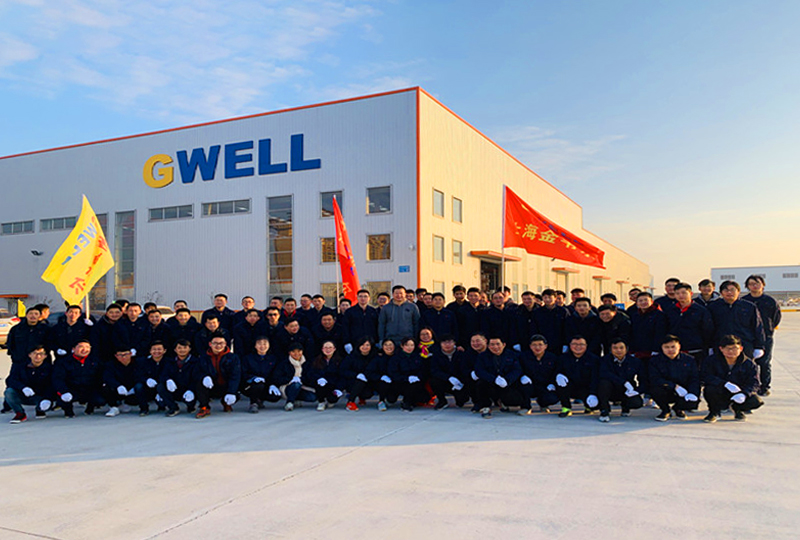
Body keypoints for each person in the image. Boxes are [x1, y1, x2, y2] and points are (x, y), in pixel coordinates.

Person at [701, 335, 763, 422]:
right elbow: (706, 376)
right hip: (720, 390)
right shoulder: (711, 361)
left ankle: (737, 409)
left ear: (741, 348)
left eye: (734, 348)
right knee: (709, 389)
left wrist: (744, 393)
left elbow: (754, 383)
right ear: (721, 349)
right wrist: (724, 384)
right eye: (727, 348)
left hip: (738, 391)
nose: (731, 351)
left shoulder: (749, 364)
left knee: (756, 401)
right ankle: (715, 412)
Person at [741, 274, 781, 396]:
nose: (754, 286)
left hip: (766, 337)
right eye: (751, 284)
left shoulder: (770, 301)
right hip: (748, 337)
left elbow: (776, 318)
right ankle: (748, 385)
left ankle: (764, 386)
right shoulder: (744, 301)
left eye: (757, 283)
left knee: (764, 363)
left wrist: (768, 330)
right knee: (746, 362)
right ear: (747, 286)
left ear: (763, 285)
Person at [706, 280, 765, 357]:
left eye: (732, 290)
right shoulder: (713, 307)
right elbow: (708, 328)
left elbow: (757, 327)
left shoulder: (749, 306)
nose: (729, 292)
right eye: (726, 290)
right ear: (721, 293)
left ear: (738, 292)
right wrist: (709, 346)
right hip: (721, 345)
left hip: (744, 345)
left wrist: (759, 346)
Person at [649, 335, 700, 421]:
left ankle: (678, 409)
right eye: (666, 347)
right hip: (667, 389)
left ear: (679, 346)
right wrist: (674, 386)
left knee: (693, 401)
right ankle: (665, 410)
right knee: (655, 389)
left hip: (684, 390)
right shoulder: (655, 361)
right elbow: (654, 378)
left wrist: (693, 392)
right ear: (662, 348)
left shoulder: (689, 360)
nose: (670, 350)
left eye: (673, 347)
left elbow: (694, 378)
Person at [473, 336, 525, 419]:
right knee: (481, 384)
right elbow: (479, 370)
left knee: (515, 399)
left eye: (498, 344)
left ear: (503, 345)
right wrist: (493, 379)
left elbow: (517, 370)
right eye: (492, 344)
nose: (495, 347)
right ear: (488, 346)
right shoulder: (482, 356)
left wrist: (507, 380)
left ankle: (504, 402)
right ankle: (485, 407)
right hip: (490, 384)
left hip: (507, 385)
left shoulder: (512, 355)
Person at [52, 339, 105, 417]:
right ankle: (68, 411)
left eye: (87, 347)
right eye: (81, 347)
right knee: (64, 398)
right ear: (73, 349)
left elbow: (101, 376)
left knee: (100, 400)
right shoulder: (63, 362)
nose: (84, 349)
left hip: (89, 389)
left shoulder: (95, 361)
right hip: (72, 389)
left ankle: (90, 408)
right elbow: (58, 379)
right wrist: (64, 391)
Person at [665, 283, 715, 365]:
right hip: (675, 350)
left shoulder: (701, 310)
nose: (681, 295)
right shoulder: (670, 310)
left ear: (691, 293)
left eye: (684, 293)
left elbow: (708, 330)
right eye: (677, 293)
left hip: (695, 350)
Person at [4, 344, 55, 423]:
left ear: (45, 356)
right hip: (23, 395)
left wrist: (48, 398)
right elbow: (11, 380)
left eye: (41, 354)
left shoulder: (50, 369)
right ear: (29, 355)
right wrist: (23, 387)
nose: (38, 356)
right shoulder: (19, 366)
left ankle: (39, 410)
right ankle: (20, 413)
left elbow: (52, 385)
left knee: (46, 405)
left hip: (40, 397)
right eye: (34, 353)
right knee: (9, 392)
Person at [596, 339, 644, 422]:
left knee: (637, 403)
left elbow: (643, 379)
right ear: (610, 349)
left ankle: (625, 407)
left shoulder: (635, 361)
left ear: (626, 349)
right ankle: (604, 410)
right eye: (615, 348)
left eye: (621, 348)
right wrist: (623, 382)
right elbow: (604, 374)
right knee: (603, 383)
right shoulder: (604, 360)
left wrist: (637, 391)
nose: (618, 350)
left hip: (627, 391)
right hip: (610, 390)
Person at [196, 334, 241, 417]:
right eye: (215, 343)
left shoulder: (233, 357)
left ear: (225, 344)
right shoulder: (203, 357)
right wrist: (204, 377)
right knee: (199, 383)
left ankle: (226, 402)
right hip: (211, 386)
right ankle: (204, 407)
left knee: (236, 388)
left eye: (221, 343)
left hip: (225, 385)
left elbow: (235, 376)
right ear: (210, 344)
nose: (218, 346)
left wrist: (231, 392)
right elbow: (197, 372)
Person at [554, 336, 600, 417]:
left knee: (595, 405)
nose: (578, 347)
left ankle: (588, 407)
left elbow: (595, 378)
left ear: (586, 346)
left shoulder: (594, 359)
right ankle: (566, 407)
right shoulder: (563, 358)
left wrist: (593, 393)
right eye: (575, 344)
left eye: (581, 344)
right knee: (560, 381)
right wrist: (558, 374)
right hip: (570, 387)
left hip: (586, 388)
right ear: (570, 345)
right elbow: (556, 371)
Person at [240, 337, 287, 413]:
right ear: (255, 346)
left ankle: (260, 400)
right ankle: (253, 403)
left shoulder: (273, 359)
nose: (262, 346)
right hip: (250, 385)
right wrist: (253, 378)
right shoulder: (248, 358)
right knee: (258, 385)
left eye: (265, 344)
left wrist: (272, 384)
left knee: (275, 396)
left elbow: (275, 374)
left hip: (266, 384)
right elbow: (243, 373)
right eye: (259, 344)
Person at [160, 339, 202, 417]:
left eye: (185, 347)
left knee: (193, 393)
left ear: (189, 349)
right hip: (175, 388)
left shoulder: (196, 362)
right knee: (160, 387)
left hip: (189, 389)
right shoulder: (170, 361)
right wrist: (168, 380)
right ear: (175, 350)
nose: (182, 350)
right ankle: (173, 408)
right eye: (179, 348)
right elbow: (164, 374)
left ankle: (191, 406)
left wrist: (191, 389)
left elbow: (197, 377)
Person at [519, 335, 560, 413]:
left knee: (552, 398)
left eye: (540, 345)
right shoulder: (523, 357)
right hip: (530, 385)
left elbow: (556, 372)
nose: (537, 347)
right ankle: (526, 407)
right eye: (534, 345)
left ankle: (543, 404)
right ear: (530, 346)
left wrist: (552, 383)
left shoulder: (552, 358)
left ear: (545, 346)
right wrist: (522, 376)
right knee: (523, 386)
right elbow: (518, 370)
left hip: (545, 386)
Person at [429, 334, 470, 410]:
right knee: (434, 381)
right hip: (445, 381)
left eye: (450, 342)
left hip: (459, 382)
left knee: (461, 401)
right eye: (444, 342)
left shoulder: (461, 354)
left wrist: (459, 381)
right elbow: (435, 371)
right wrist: (448, 378)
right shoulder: (436, 355)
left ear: (454, 343)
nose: (447, 345)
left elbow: (465, 369)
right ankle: (442, 401)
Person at [391, 337, 430, 412]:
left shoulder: (417, 357)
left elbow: (423, 370)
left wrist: (418, 377)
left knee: (425, 398)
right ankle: (406, 402)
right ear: (402, 346)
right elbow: (394, 373)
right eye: (407, 345)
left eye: (412, 345)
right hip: (401, 382)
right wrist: (406, 378)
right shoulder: (396, 358)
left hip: (416, 382)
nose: (410, 347)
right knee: (408, 388)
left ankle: (413, 401)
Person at [304, 340, 345, 411]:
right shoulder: (316, 360)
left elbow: (342, 375)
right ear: (322, 349)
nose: (328, 350)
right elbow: (311, 373)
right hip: (321, 385)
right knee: (320, 385)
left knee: (332, 399)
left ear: (334, 349)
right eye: (325, 347)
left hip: (333, 385)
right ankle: (321, 402)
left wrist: (339, 388)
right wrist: (318, 378)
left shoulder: (340, 361)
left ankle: (330, 400)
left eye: (330, 347)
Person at [340, 337, 377, 411]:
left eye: (367, 345)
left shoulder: (374, 356)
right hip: (353, 381)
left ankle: (362, 397)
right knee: (360, 381)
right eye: (362, 344)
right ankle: (350, 402)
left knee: (367, 393)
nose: (365, 347)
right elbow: (343, 370)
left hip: (369, 381)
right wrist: (356, 375)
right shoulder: (351, 356)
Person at [102, 347, 139, 417]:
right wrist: (118, 386)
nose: (123, 357)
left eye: (126, 354)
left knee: (140, 388)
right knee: (106, 387)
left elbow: (140, 375)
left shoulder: (137, 363)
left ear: (131, 354)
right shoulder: (110, 365)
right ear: (116, 356)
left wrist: (134, 387)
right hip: (118, 390)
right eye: (120, 355)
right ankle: (113, 407)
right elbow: (108, 377)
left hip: (132, 389)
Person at [135, 341, 168, 416]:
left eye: (159, 349)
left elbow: (169, 375)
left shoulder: (168, 362)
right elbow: (138, 375)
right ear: (150, 351)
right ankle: (144, 409)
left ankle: (165, 406)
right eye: (154, 349)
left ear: (164, 350)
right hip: (148, 387)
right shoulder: (143, 362)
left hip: (162, 387)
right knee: (138, 386)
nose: (156, 351)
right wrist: (146, 380)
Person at [532, 289, 569, 356]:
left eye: (550, 297)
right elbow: (534, 328)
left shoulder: (563, 311)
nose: (547, 300)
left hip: (559, 342)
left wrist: (566, 343)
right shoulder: (537, 312)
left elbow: (567, 328)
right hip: (542, 343)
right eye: (545, 297)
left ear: (555, 298)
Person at [367, 339, 400, 411]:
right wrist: (380, 377)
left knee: (392, 399)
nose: (388, 347)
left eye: (390, 345)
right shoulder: (378, 358)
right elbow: (369, 372)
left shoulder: (398, 357)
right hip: (381, 383)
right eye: (386, 345)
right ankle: (381, 401)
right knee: (383, 383)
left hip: (395, 382)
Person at [282, 343, 317, 411]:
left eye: (299, 351)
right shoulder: (284, 363)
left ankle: (295, 398)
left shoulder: (306, 363)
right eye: (293, 351)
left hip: (302, 386)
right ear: (289, 353)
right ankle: (289, 402)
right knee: (296, 385)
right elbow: (278, 378)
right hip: (287, 386)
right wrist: (291, 379)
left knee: (313, 397)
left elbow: (310, 377)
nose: (296, 354)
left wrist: (301, 379)